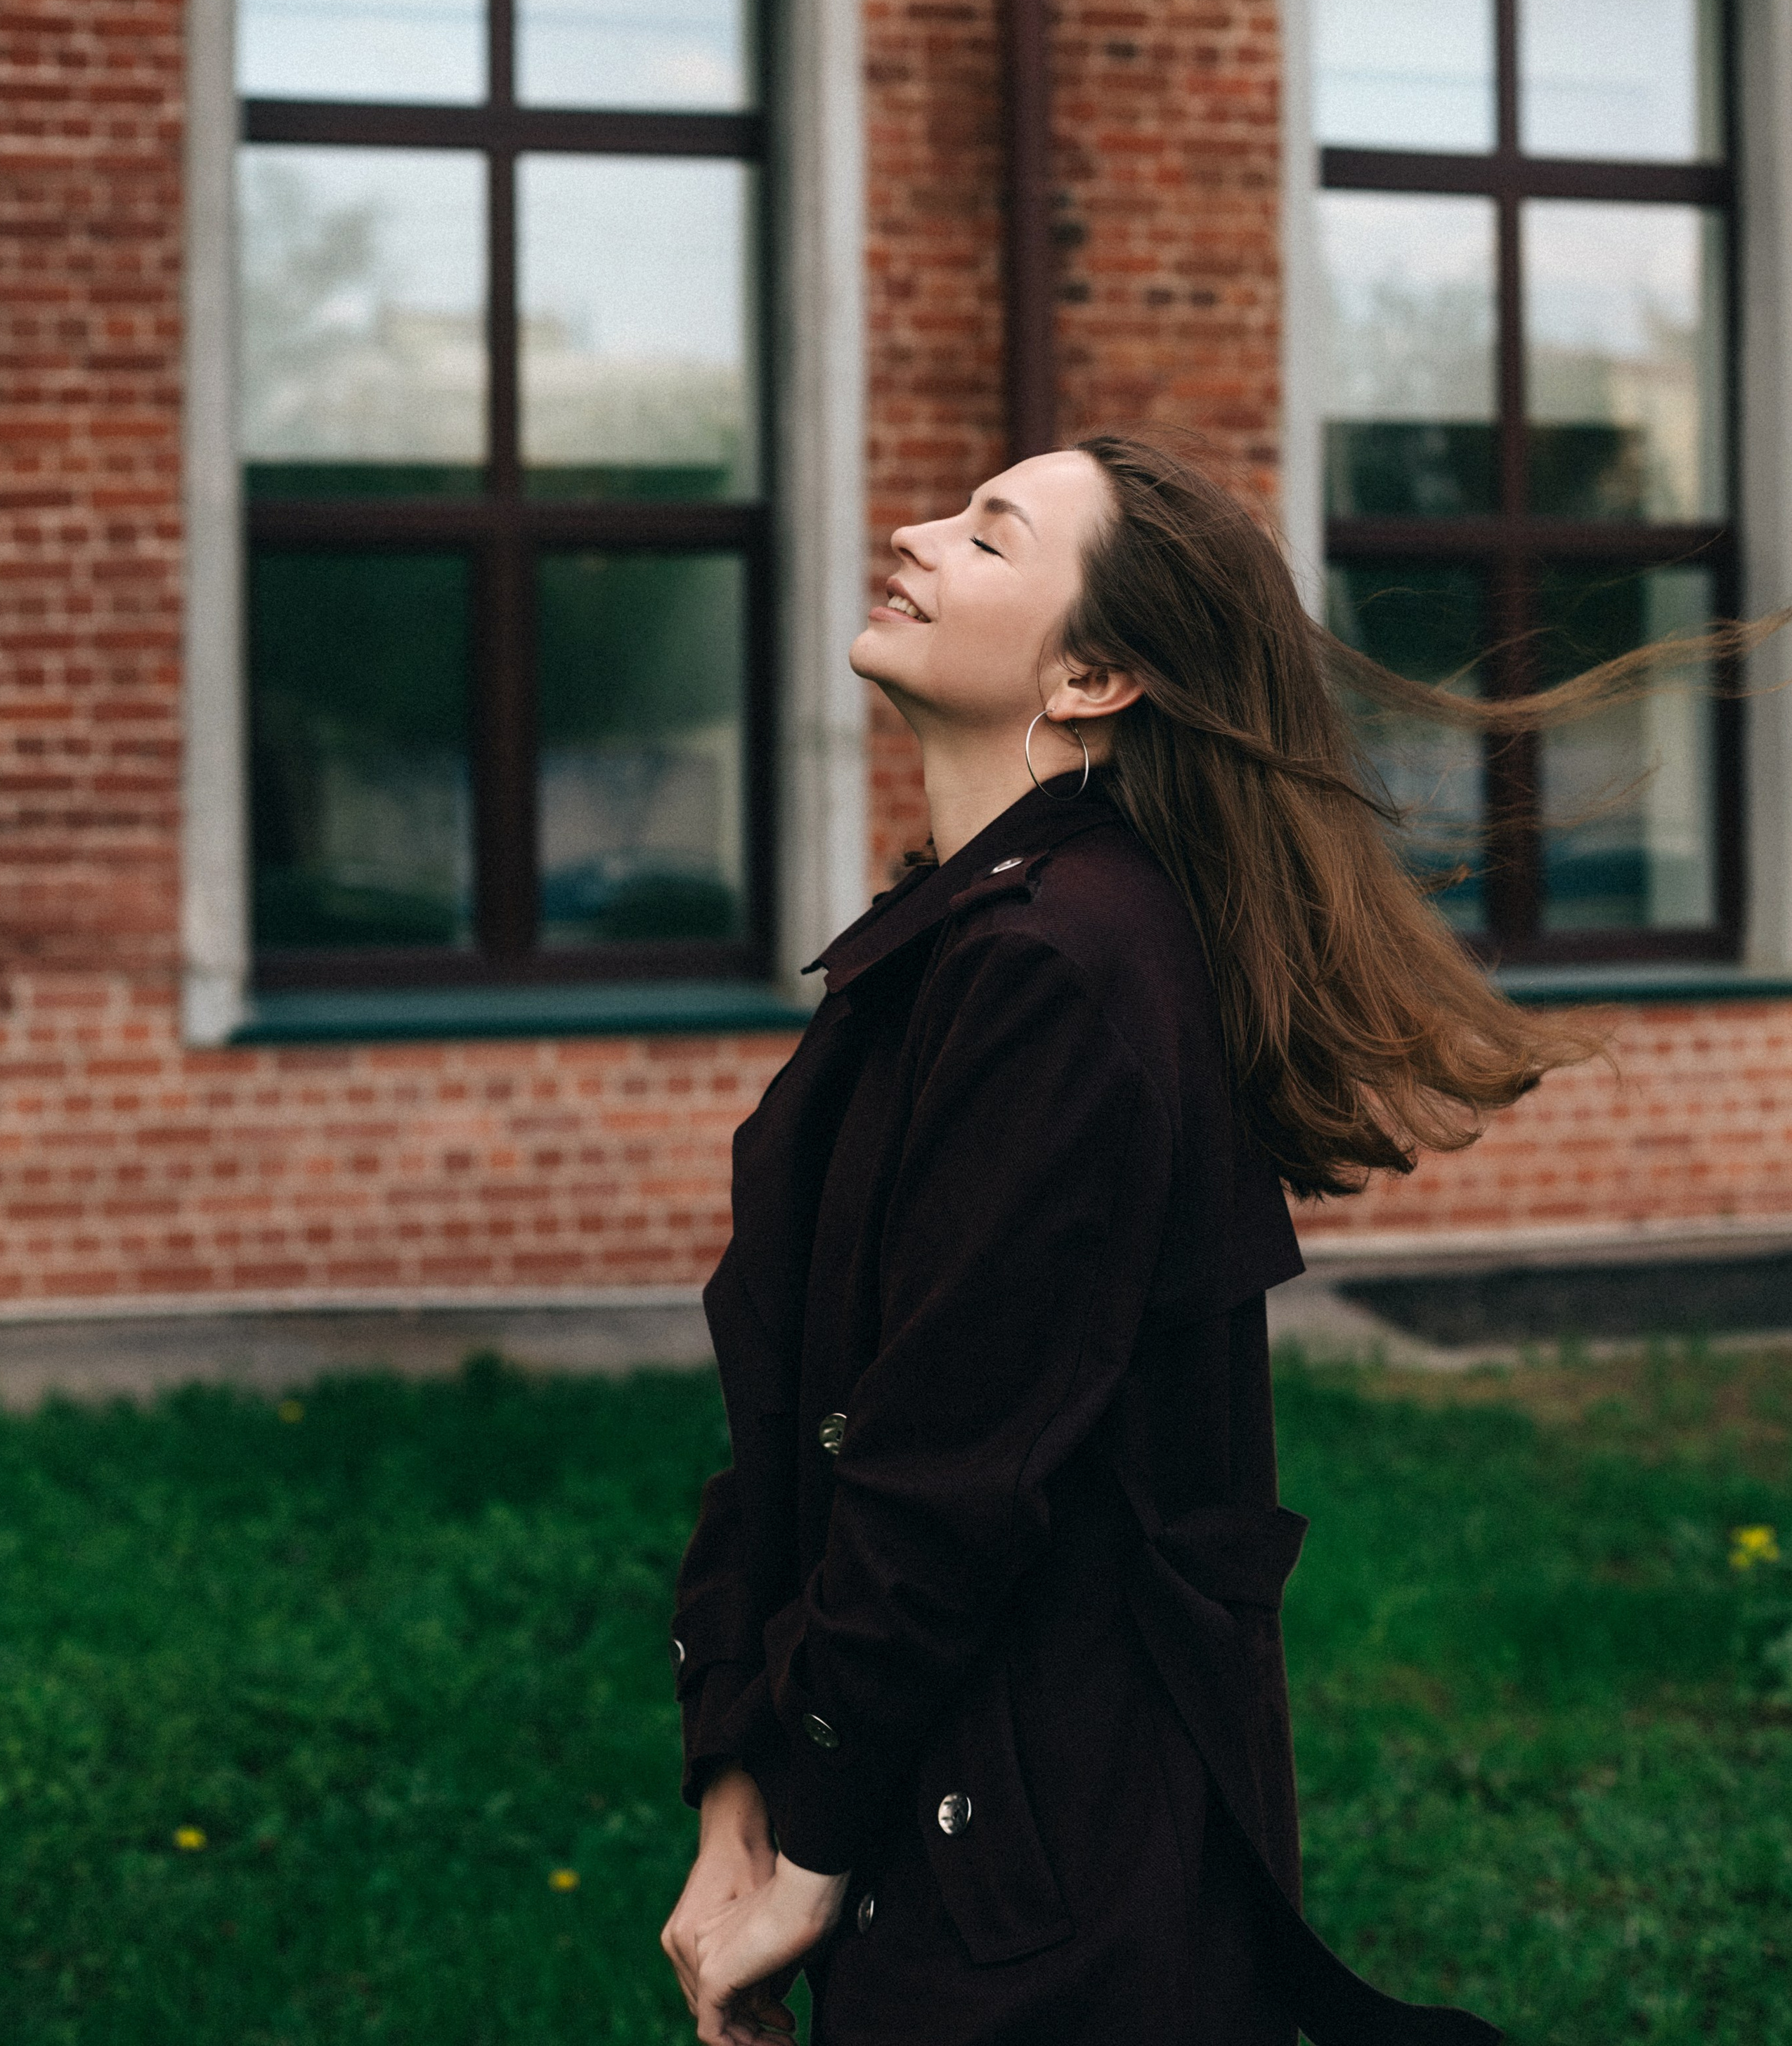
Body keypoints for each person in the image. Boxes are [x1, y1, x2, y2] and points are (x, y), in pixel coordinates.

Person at [658, 434, 1764, 2046]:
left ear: (1096, 671)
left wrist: (808, 1834)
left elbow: (949, 1471)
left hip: (1042, 1881)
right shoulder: (977, 935)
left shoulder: (1061, 965)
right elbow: (800, 1416)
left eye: (984, 533)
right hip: (968, 1817)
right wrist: (738, 1785)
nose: (906, 532)